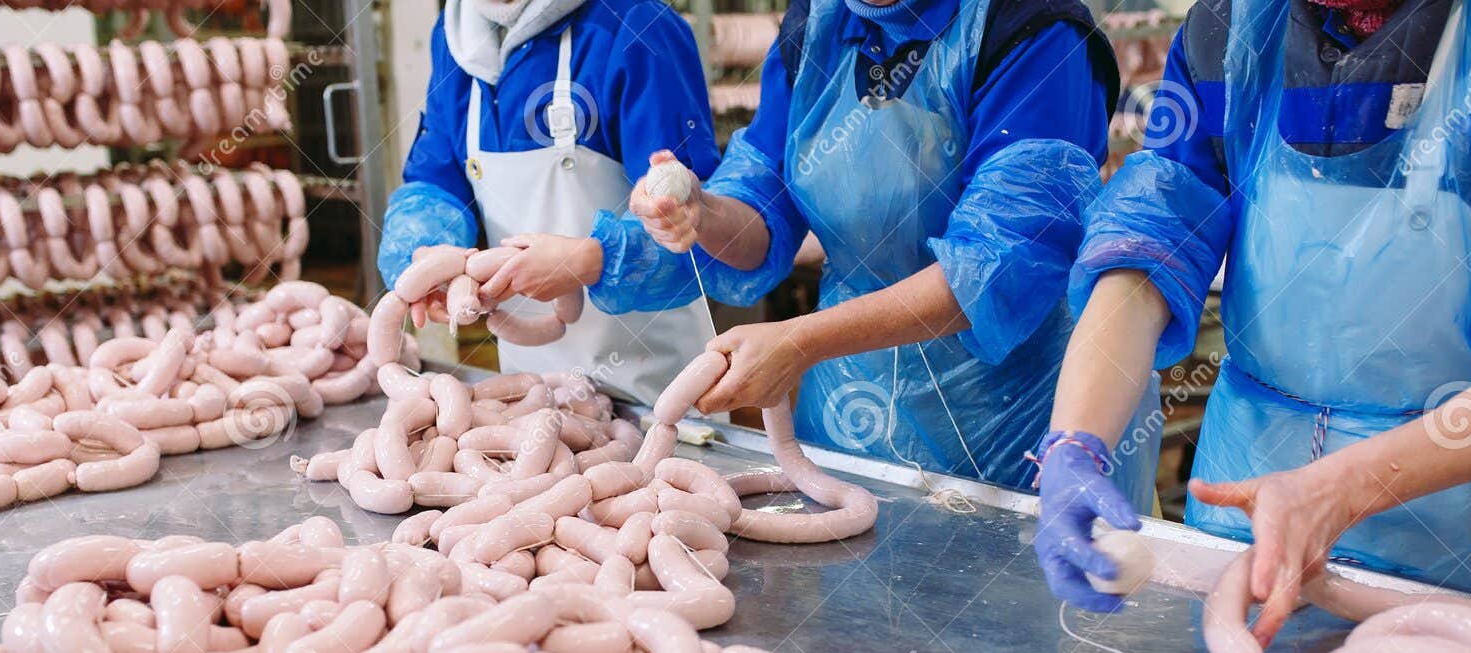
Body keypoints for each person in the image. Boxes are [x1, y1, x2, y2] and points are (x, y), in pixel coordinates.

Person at [492, 0, 1158, 500]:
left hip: (1015, 429)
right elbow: (761, 204)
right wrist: (701, 211)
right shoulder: (820, 24)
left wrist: (801, 342)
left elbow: (996, 271)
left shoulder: (1032, 31)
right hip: (848, 417)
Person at [1034, 0, 1471, 635]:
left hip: (1458, 548)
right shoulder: (1226, 31)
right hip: (1246, 507)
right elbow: (1147, 253)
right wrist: (1074, 440)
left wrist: (1340, 489)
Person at [377, 0, 720, 402]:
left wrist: (594, 260)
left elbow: (699, 225)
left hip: (657, 387)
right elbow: (436, 181)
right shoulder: (455, 37)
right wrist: (426, 252)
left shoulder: (636, 26)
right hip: (531, 392)